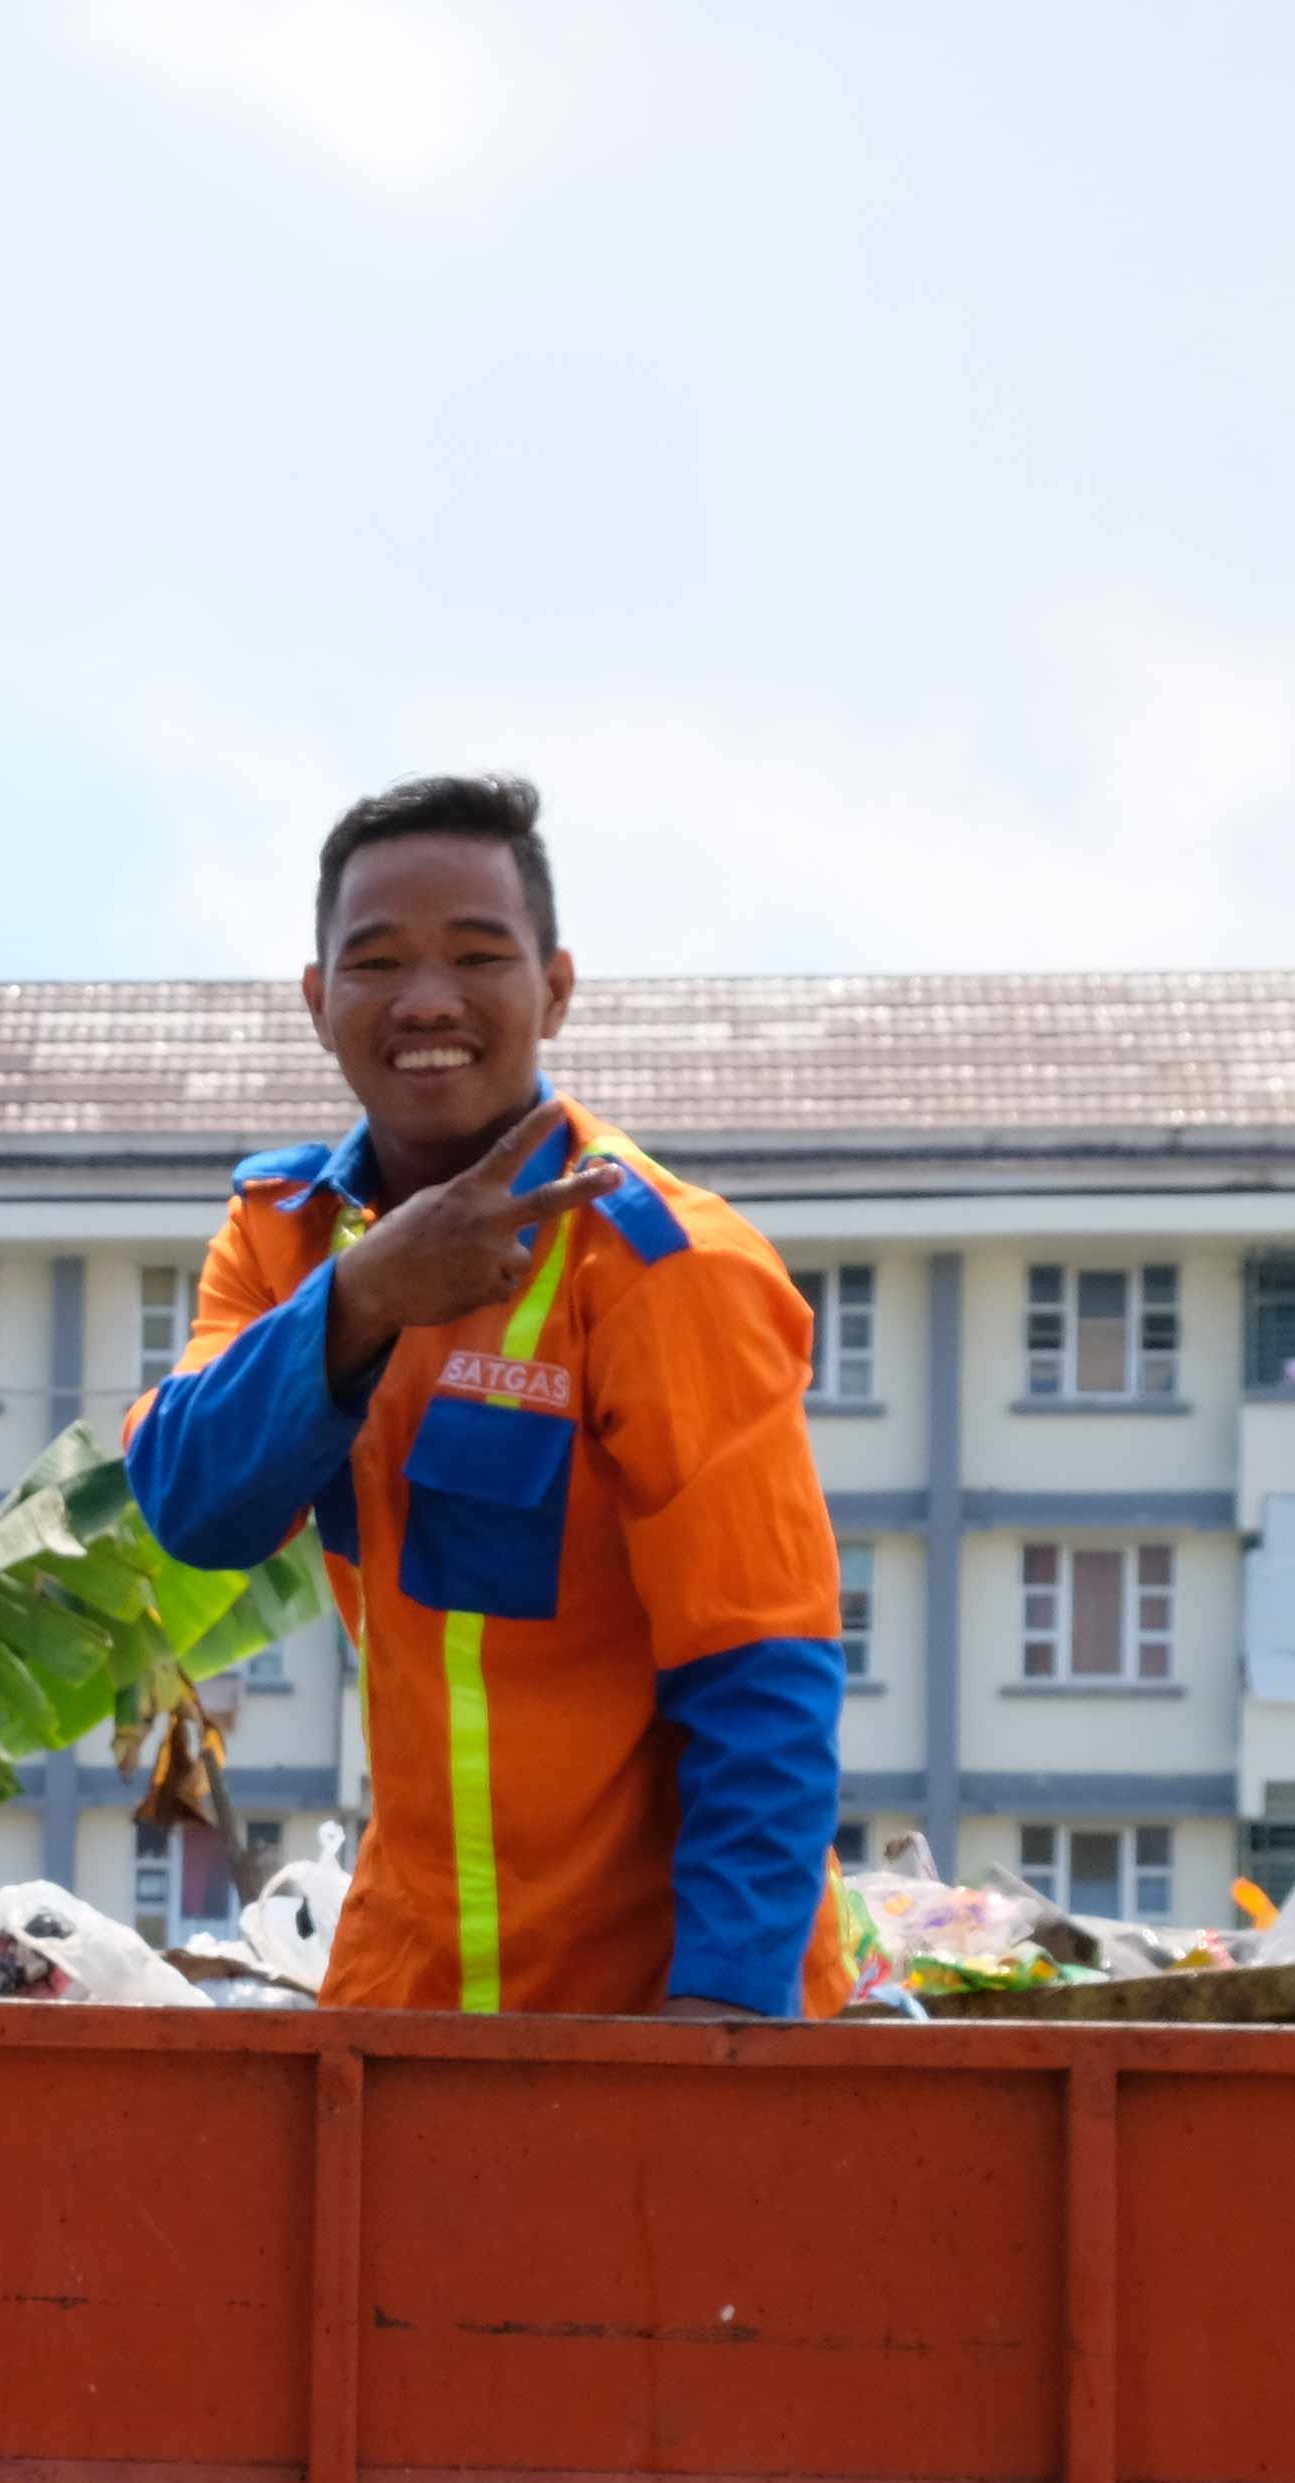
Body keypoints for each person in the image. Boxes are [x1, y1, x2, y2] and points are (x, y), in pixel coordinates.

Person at [121, 773, 846, 2017]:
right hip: (414, 1996)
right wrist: (362, 1301)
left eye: (476, 954)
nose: (427, 1001)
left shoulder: (668, 1267)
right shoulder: (287, 1240)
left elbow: (761, 1672)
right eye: (378, 961)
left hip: (651, 2006)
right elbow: (195, 1506)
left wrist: (720, 2028)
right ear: (318, 1000)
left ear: (555, 987)